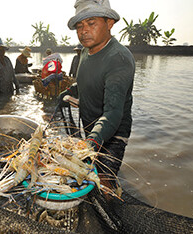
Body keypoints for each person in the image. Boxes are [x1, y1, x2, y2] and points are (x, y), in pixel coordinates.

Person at [60, 0, 135, 180]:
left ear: (109, 23)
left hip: (113, 133)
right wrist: (71, 90)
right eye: (79, 26)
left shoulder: (118, 58)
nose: (84, 31)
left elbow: (113, 113)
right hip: (91, 128)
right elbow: (91, 82)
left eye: (91, 23)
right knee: (87, 174)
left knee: (103, 182)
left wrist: (92, 141)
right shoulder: (86, 51)